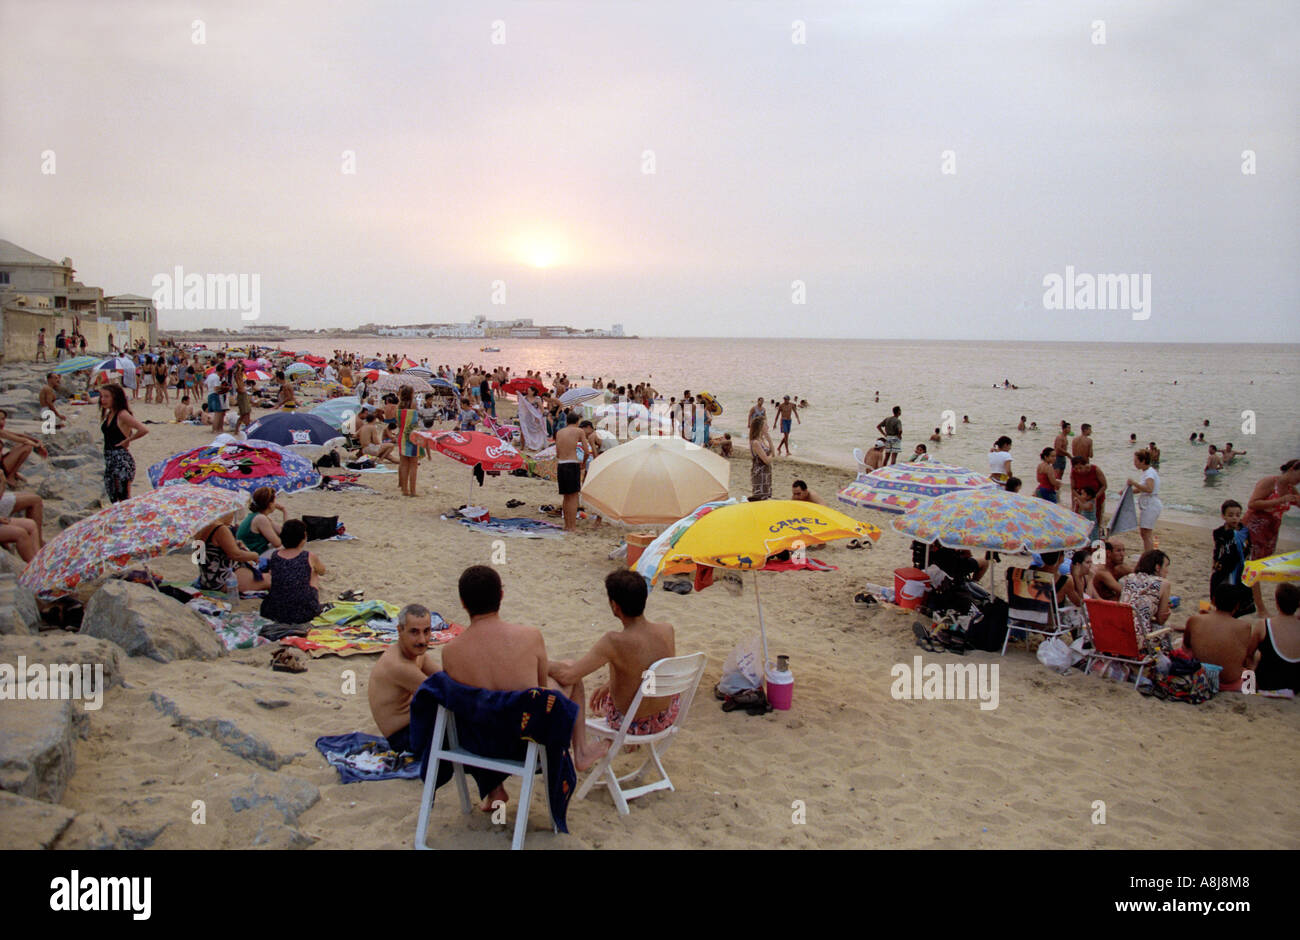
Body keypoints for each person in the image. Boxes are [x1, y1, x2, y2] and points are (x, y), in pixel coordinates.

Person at [440, 566, 605, 811]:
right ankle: (580, 750)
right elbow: (540, 692)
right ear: (502, 596)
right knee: (570, 675)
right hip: (525, 744)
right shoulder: (530, 636)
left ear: (463, 603)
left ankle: (495, 790)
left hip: (476, 747)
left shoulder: (450, 652)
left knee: (486, 709)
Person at [550, 570, 678, 749]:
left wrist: (538, 661)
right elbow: (650, 670)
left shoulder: (614, 641)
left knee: (585, 694)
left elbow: (568, 676)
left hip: (630, 725)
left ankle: (583, 749)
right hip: (664, 719)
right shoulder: (667, 630)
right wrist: (610, 684)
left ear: (615, 606)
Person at [368, 604, 438, 752]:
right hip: (402, 737)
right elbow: (443, 693)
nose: (422, 640)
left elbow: (443, 676)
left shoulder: (415, 653)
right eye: (414, 632)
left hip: (415, 722)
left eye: (426, 631)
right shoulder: (399, 666)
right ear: (400, 630)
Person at [1183, 581, 1255, 692]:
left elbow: (1186, 645)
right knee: (1255, 658)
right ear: (1237, 606)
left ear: (1213, 601)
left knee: (1183, 646)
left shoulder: (1195, 619)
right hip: (1229, 682)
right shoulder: (1244, 627)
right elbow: (1245, 657)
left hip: (1199, 675)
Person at [260, 518, 325, 623]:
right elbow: (322, 570)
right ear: (303, 538)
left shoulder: (275, 555)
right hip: (304, 612)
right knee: (314, 574)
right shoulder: (308, 556)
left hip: (276, 611)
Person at [194, 511, 269, 594]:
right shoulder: (220, 529)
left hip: (207, 579)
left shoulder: (201, 526)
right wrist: (254, 555)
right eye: (232, 513)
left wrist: (233, 544)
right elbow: (237, 555)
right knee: (270, 579)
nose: (233, 516)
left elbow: (206, 553)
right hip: (222, 581)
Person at [1242, 460, 1300, 559]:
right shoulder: (1270, 482)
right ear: (1291, 469)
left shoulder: (1291, 489)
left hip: (1271, 529)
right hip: (1254, 526)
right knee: (1248, 558)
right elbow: (1252, 504)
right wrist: (1280, 501)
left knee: (1263, 560)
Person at [1248, 583, 1300, 692]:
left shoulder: (1264, 625)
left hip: (1268, 682)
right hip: (1295, 685)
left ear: (1277, 604)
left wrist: (1252, 668)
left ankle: (1251, 687)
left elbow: (1248, 655)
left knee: (1256, 656)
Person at [99, 384, 147, 503]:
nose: (102, 400)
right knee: (114, 497)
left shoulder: (122, 414)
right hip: (110, 459)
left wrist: (128, 440)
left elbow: (143, 429)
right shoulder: (110, 414)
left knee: (123, 498)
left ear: (115, 398)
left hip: (121, 459)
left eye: (106, 397)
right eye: (101, 396)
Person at [1119, 549, 1173, 652]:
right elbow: (1161, 620)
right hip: (1137, 640)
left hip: (1117, 631)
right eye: (1166, 566)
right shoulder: (1163, 583)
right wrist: (1168, 612)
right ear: (1157, 567)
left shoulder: (1130, 577)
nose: (1167, 570)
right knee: (1163, 630)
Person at [1126, 449, 1162, 552]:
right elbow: (1142, 488)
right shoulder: (1146, 472)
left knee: (1146, 533)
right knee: (1144, 532)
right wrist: (1129, 492)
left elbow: (1149, 489)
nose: (1134, 463)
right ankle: (1148, 553)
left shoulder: (1149, 473)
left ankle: (1149, 555)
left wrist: (1134, 483)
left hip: (1151, 504)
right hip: (1148, 504)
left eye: (1136, 461)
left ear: (1143, 461)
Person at [0, 409, 49, 485]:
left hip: (2, 462)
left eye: (3, 419)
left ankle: (13, 473)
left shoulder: (1, 431)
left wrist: (37, 440)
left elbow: (19, 435)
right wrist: (38, 446)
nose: (1, 422)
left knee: (20, 446)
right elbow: (24, 440)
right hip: (1, 467)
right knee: (27, 446)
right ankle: (11, 476)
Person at [235, 486, 286, 556]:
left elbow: (284, 532)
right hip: (253, 556)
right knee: (288, 548)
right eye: (274, 501)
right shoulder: (260, 519)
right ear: (270, 504)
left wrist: (284, 511)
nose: (276, 503)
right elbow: (278, 543)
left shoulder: (258, 516)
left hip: (252, 553)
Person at [555, 411, 585, 531]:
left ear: (567, 421)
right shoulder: (579, 431)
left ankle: (567, 525)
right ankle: (572, 526)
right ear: (577, 422)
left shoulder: (559, 432)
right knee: (573, 497)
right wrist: (583, 463)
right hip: (572, 463)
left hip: (561, 464)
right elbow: (586, 450)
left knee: (566, 496)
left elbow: (557, 451)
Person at [395, 385, 424, 497]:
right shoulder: (414, 405)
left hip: (402, 434)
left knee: (403, 464)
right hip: (413, 435)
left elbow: (398, 423)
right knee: (413, 465)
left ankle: (404, 489)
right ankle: (412, 490)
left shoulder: (398, 407)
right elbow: (417, 420)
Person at [1069, 454, 1107, 525]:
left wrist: (1095, 497)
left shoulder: (1095, 470)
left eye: (1080, 468)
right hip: (1082, 499)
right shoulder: (1074, 473)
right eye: (1076, 468)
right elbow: (1073, 488)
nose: (1078, 470)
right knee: (1080, 520)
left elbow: (1104, 486)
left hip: (1097, 499)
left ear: (1085, 465)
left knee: (1096, 521)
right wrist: (1079, 498)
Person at [749, 415, 773, 500]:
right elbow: (766, 460)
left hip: (766, 472)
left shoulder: (762, 440)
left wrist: (769, 439)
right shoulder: (755, 442)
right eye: (766, 425)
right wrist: (771, 456)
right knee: (760, 497)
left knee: (766, 496)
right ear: (761, 427)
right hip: (760, 473)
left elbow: (772, 452)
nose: (768, 427)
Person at [204, 362, 229, 434]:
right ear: (221, 370)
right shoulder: (216, 377)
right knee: (218, 413)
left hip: (210, 394)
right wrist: (224, 387)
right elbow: (216, 388)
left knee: (218, 413)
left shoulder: (210, 375)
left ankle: (216, 429)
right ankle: (214, 429)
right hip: (214, 395)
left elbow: (206, 384)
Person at [232, 362, 253, 434]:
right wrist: (240, 367)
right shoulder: (237, 377)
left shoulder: (240, 376)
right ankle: (237, 430)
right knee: (243, 413)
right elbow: (238, 374)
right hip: (241, 395)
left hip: (244, 394)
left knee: (247, 412)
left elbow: (239, 374)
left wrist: (241, 367)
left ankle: (247, 426)